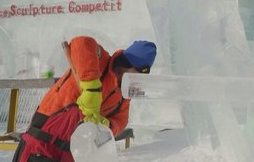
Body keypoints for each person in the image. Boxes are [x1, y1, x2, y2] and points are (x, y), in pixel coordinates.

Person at [13, 36, 157, 162]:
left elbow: (121, 119)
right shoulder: (100, 62)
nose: (136, 81)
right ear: (127, 65)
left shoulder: (124, 93)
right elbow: (81, 42)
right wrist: (91, 88)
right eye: (135, 75)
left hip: (71, 154)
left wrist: (107, 124)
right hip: (40, 146)